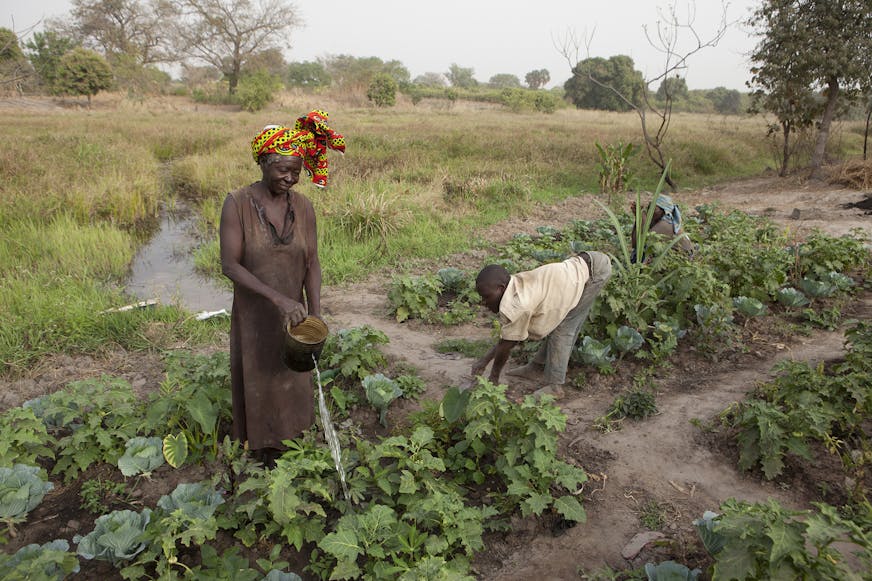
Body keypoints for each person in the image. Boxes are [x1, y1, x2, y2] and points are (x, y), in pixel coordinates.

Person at [219, 124, 323, 466]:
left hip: (295, 317)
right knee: (259, 377)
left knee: (293, 379)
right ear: (263, 162)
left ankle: (293, 442)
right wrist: (277, 299)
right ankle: (262, 450)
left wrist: (316, 313)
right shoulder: (237, 204)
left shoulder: (304, 207)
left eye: (296, 172)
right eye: (283, 170)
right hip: (255, 317)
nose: (290, 178)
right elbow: (230, 266)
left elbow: (312, 262)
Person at [471, 251, 612, 397]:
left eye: (486, 296)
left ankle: (555, 387)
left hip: (594, 272)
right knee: (556, 322)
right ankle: (537, 368)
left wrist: (493, 376)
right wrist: (484, 361)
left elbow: (507, 343)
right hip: (578, 267)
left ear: (501, 288)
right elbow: (508, 338)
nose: (484, 302)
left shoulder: (519, 304)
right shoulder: (513, 287)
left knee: (563, 329)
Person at [630, 193, 694, 262]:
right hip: (674, 255)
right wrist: (638, 217)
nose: (651, 211)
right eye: (650, 207)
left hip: (682, 258)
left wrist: (642, 216)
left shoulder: (666, 224)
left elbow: (642, 243)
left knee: (641, 254)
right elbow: (634, 243)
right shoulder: (656, 220)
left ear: (664, 212)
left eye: (655, 209)